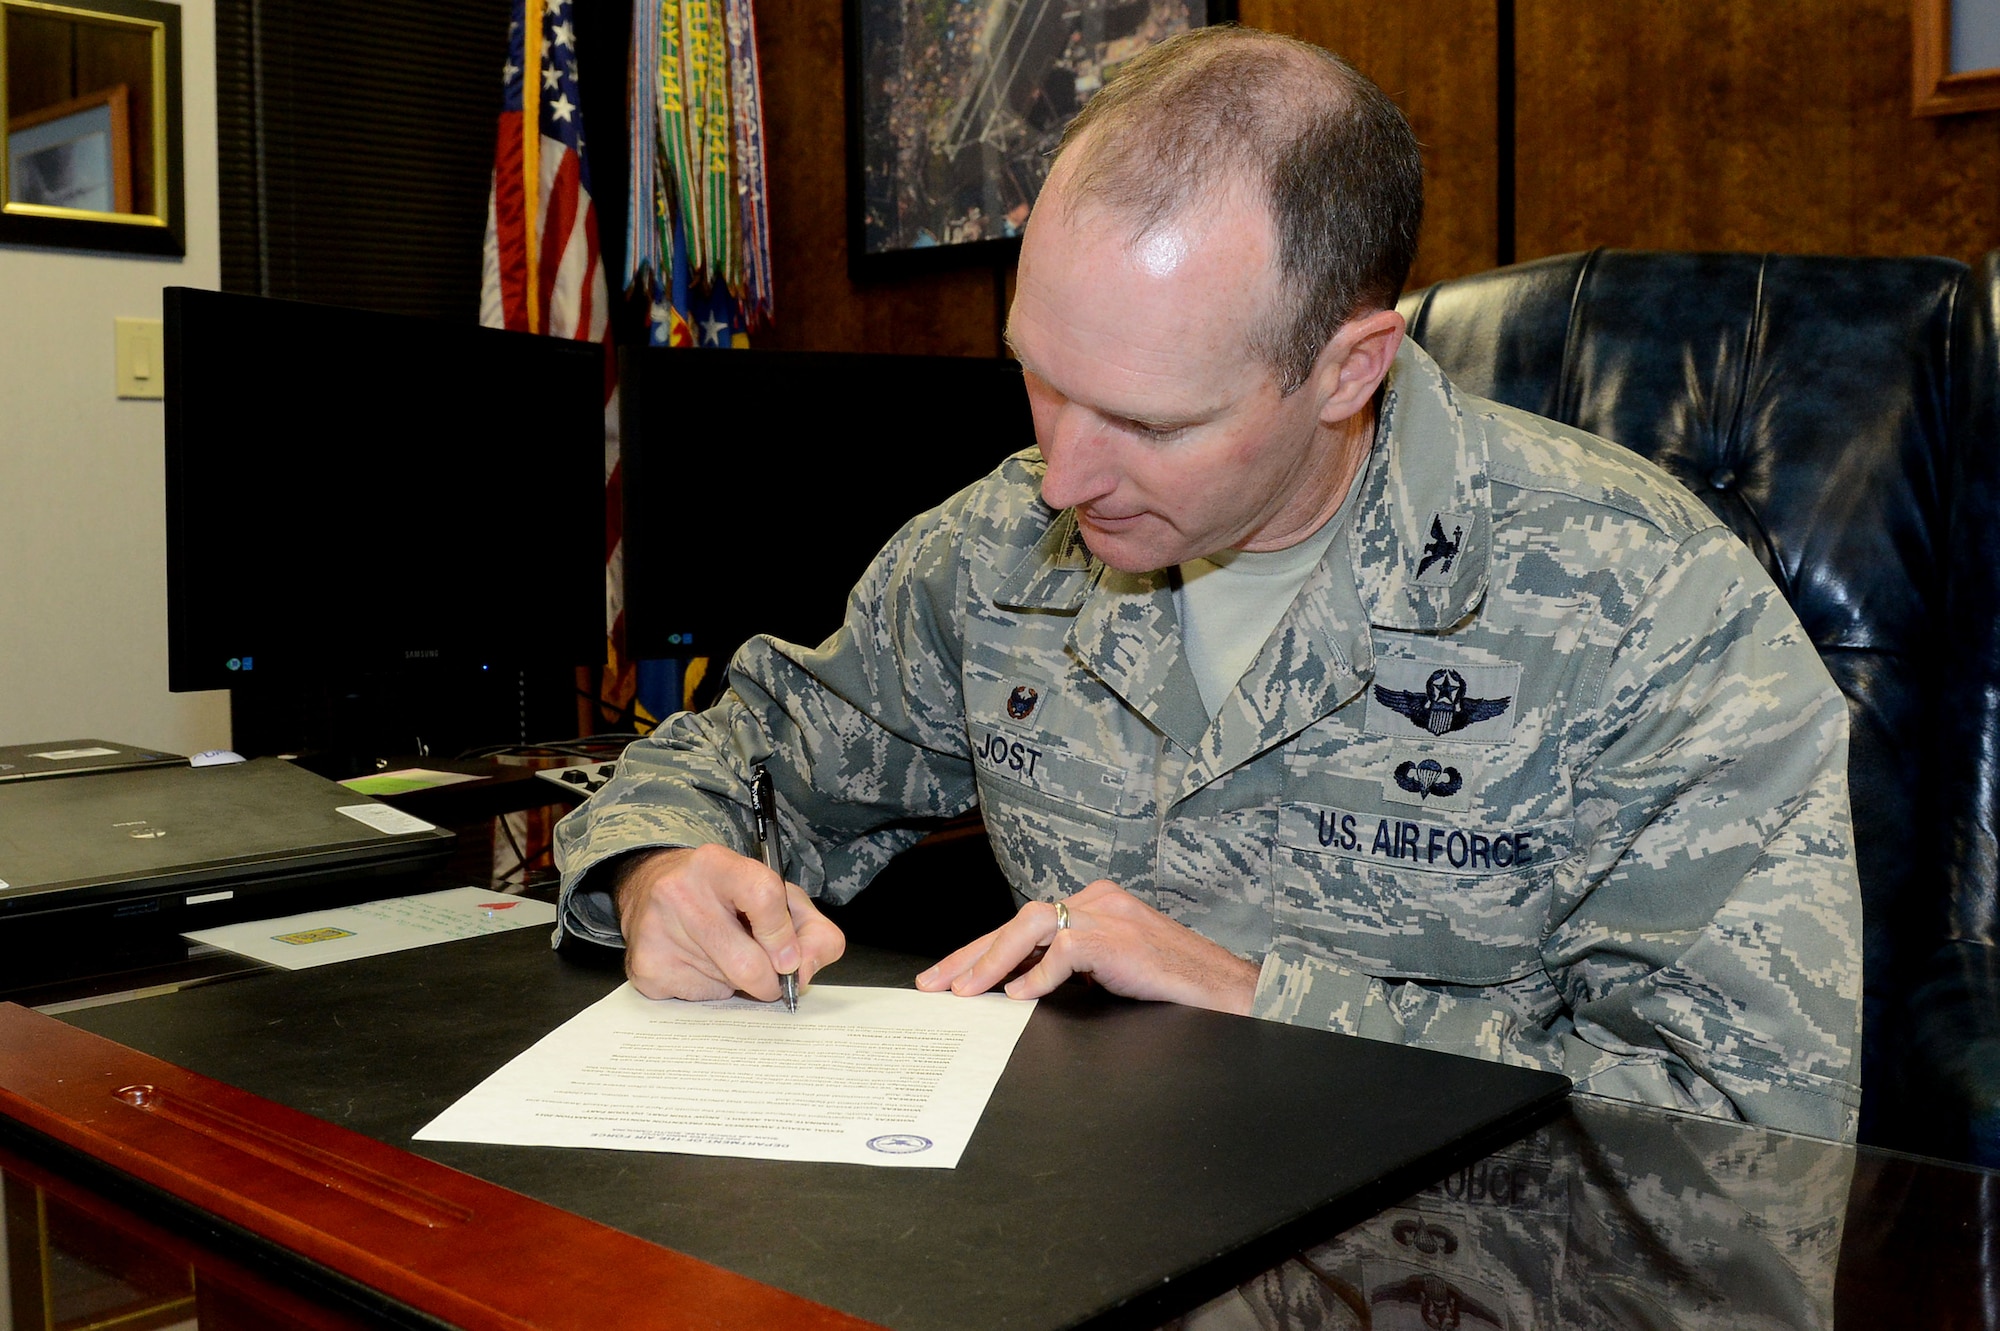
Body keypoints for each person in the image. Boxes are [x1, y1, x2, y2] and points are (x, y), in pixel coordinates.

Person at [554, 26, 1863, 1141]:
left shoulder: (1653, 616)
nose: (1063, 474)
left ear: (1349, 369)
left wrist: (1260, 998)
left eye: (1151, 422)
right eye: (1042, 378)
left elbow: (1746, 1132)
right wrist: (660, 870)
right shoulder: (1004, 552)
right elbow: (753, 747)